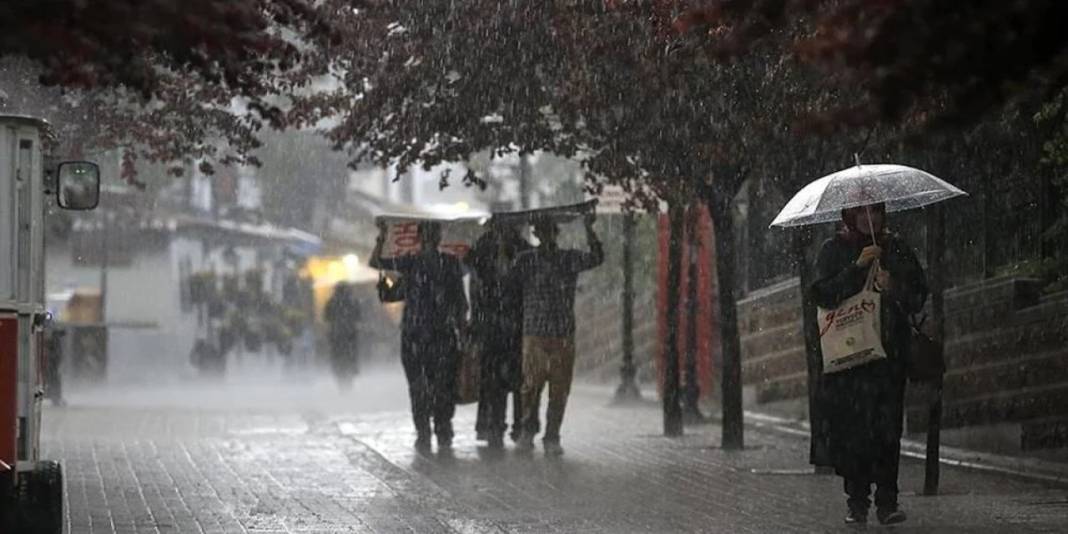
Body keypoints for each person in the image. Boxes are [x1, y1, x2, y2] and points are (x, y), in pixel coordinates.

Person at [810, 202, 928, 526]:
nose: (868, 218)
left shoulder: (895, 247)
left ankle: (888, 502)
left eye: (874, 211)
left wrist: (895, 286)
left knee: (888, 431)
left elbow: (919, 294)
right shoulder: (834, 249)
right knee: (854, 433)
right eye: (861, 212)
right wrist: (856, 269)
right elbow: (823, 294)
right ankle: (857, 501)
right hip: (851, 360)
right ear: (849, 215)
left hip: (888, 358)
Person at [371, 221, 468, 453]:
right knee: (434, 386)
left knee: (426, 387)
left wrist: (382, 238)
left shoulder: (417, 263)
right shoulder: (433, 263)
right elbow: (460, 304)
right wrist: (382, 237)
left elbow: (378, 263)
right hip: (431, 335)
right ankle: (436, 430)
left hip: (424, 335)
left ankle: (430, 431)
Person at [513, 212, 603, 456]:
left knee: (559, 389)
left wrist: (589, 229)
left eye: (549, 231)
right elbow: (506, 275)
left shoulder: (568, 259)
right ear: (536, 234)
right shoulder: (525, 260)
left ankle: (552, 435)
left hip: (562, 333)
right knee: (531, 387)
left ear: (555, 233)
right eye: (541, 231)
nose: (546, 236)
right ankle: (528, 429)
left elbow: (596, 257)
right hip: (535, 332)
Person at [465, 222, 534, 449]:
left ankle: (517, 426)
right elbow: (476, 283)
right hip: (494, 326)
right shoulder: (484, 248)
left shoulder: (521, 249)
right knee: (495, 380)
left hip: (512, 325)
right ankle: (496, 426)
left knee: (515, 379)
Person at [324, 282, 361, 389]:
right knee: (350, 357)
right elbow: (358, 317)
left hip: (336, 335)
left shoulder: (331, 302)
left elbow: (326, 317)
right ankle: (349, 380)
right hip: (350, 334)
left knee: (338, 358)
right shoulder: (353, 301)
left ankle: (341, 381)